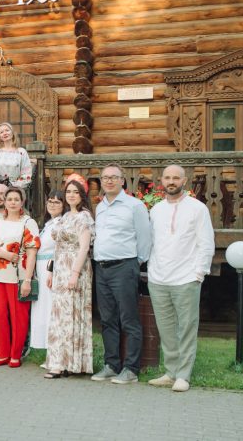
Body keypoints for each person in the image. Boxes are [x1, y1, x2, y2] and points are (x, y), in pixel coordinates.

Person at [146, 165, 214, 393]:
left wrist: (198, 273)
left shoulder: (197, 208)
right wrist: (151, 270)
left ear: (185, 181)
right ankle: (170, 372)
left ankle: (183, 375)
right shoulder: (156, 210)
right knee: (165, 329)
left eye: (176, 178)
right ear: (161, 181)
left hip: (186, 278)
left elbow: (206, 242)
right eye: (167, 177)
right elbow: (152, 242)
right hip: (158, 279)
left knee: (186, 328)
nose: (171, 181)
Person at [91, 164, 151, 384]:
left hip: (124, 267)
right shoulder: (100, 207)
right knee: (107, 319)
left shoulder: (134, 206)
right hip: (102, 268)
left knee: (129, 319)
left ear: (122, 181)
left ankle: (131, 369)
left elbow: (145, 238)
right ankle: (111, 365)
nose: (109, 181)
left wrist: (136, 262)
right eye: (105, 177)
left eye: (114, 177)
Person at [0, 188, 40, 368]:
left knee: (18, 316)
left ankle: (15, 354)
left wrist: (27, 280)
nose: (13, 202)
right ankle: (3, 353)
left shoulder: (28, 223)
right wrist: (5, 255)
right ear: (4, 202)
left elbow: (31, 253)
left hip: (17, 276)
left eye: (16, 199)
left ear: (22, 202)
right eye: (9, 199)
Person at [44, 180, 95, 378]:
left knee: (71, 314)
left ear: (82, 195)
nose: (71, 195)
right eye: (68, 192)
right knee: (59, 315)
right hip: (60, 268)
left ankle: (68, 363)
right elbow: (56, 247)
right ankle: (61, 361)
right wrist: (51, 271)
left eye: (76, 192)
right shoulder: (65, 216)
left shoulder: (84, 217)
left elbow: (84, 247)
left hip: (76, 268)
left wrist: (74, 273)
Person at [30, 191, 65, 352]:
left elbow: (60, 249)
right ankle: (44, 345)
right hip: (41, 267)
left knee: (51, 306)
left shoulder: (62, 223)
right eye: (50, 201)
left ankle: (54, 346)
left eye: (57, 202)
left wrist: (51, 269)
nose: (52, 204)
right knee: (42, 307)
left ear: (63, 205)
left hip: (51, 268)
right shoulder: (49, 223)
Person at [0, 123, 32, 189]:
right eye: (1, 132)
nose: (5, 133)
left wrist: (14, 186)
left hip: (16, 188)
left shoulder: (21, 152)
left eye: (7, 130)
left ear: (12, 132)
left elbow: (26, 173)